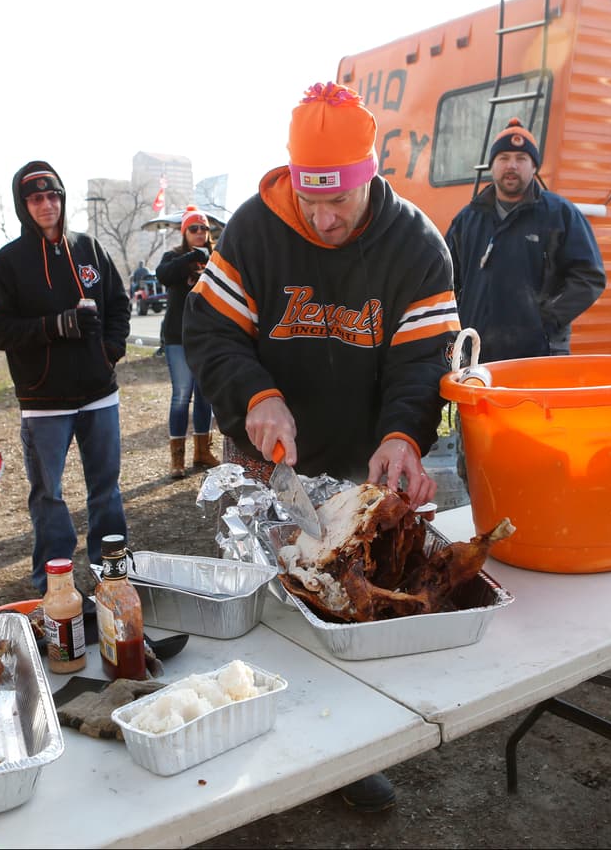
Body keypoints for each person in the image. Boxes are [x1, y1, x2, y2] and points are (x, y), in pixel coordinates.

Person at [183, 81, 460, 812]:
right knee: (263, 603)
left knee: (344, 603)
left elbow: (423, 363)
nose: (325, 217)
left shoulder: (415, 246)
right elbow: (208, 331)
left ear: (369, 176)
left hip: (360, 461)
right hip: (266, 455)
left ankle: (344, 755)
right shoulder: (253, 230)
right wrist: (253, 394)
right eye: (313, 201)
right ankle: (253, 742)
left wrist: (404, 435)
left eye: (340, 201)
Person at [0, 161, 131, 594]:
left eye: (53, 196)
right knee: (49, 495)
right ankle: (56, 582)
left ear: (62, 200)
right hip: (44, 401)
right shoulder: (7, 263)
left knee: (106, 490)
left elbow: (119, 304)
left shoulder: (90, 249)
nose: (46, 205)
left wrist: (111, 349)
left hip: (100, 394)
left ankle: (113, 575)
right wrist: (56, 325)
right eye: (35, 198)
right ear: (23, 206)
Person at [444, 117, 606, 362]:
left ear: (534, 167)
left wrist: (546, 318)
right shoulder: (467, 220)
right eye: (504, 158)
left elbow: (590, 277)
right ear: (492, 165)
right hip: (478, 356)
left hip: (540, 354)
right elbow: (445, 282)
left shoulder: (559, 214)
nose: (512, 166)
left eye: (521, 159)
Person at [155, 206, 219, 479]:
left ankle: (202, 452)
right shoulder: (175, 257)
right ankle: (177, 460)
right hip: (177, 336)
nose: (200, 233)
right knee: (182, 395)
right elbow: (163, 275)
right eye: (194, 228)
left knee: (206, 396)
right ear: (185, 232)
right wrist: (193, 256)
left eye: (204, 228)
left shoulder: (217, 257)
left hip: (208, 336)